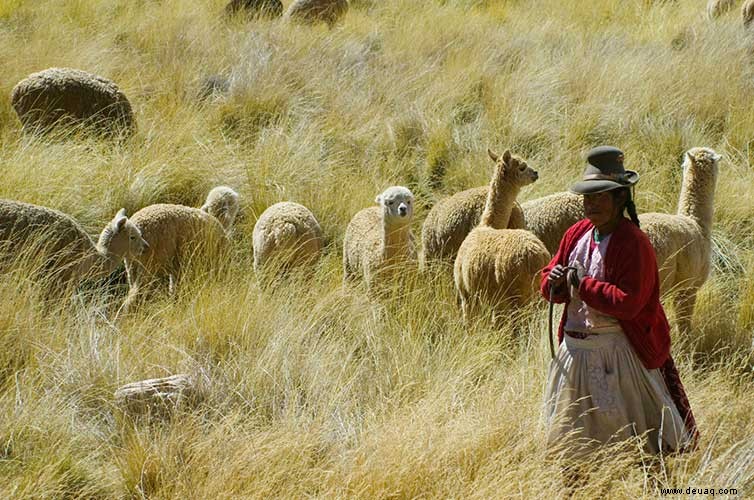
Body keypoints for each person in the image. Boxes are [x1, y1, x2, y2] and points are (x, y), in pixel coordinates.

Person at [541, 146, 698, 458]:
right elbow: (548, 281)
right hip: (575, 354)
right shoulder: (577, 234)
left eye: (600, 196)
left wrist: (581, 284)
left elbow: (629, 303)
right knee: (571, 448)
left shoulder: (634, 243)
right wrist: (555, 282)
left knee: (627, 446)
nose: (592, 203)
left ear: (620, 198)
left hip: (618, 357)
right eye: (588, 196)